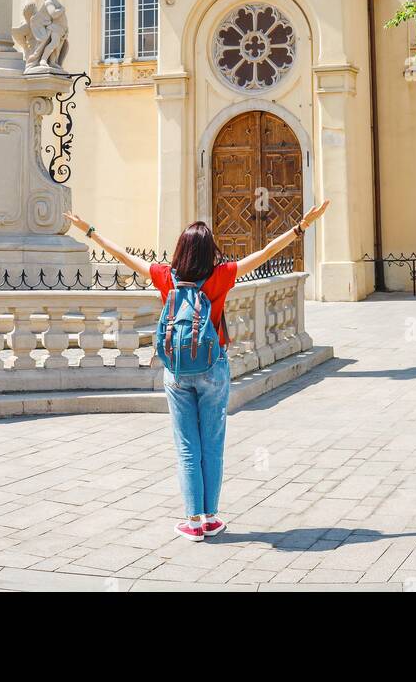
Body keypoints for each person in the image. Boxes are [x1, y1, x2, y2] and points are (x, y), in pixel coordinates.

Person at [65, 201, 330, 541]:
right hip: (212, 366)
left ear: (181, 249)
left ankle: (192, 520)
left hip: (176, 370)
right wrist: (300, 226)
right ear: (209, 252)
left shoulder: (165, 276)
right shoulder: (221, 276)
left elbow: (123, 256)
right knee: (212, 443)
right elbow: (265, 252)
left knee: (187, 445)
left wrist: (89, 231)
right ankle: (209, 518)